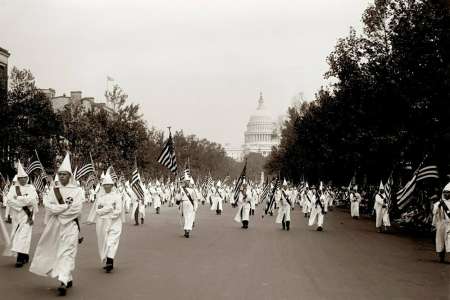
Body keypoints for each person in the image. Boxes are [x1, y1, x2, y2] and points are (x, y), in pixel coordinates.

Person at [30, 153, 84, 296]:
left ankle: (63, 281)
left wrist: (59, 211)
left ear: (70, 176)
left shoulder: (78, 191)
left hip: (71, 226)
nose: (61, 177)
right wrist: (62, 208)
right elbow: (48, 205)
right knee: (56, 251)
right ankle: (67, 276)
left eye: (64, 174)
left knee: (67, 252)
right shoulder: (54, 190)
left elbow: (76, 210)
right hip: (55, 227)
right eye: (59, 174)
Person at [3, 161, 38, 268]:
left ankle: (20, 258)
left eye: (24, 177)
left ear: (27, 178)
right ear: (18, 178)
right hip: (17, 216)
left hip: (28, 216)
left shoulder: (31, 188)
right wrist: (22, 201)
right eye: (21, 177)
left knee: (24, 236)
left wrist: (19, 199)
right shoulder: (13, 189)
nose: (23, 179)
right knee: (18, 237)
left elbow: (33, 201)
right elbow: (9, 201)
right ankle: (24, 255)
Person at [87, 172, 124, 272]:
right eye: (105, 184)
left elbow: (118, 211)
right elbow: (98, 210)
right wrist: (109, 209)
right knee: (104, 241)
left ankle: (110, 261)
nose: (107, 186)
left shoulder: (117, 197)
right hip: (102, 223)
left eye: (109, 184)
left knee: (112, 241)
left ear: (112, 185)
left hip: (115, 222)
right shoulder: (100, 197)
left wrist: (108, 211)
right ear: (103, 186)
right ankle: (107, 259)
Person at [432, 182, 450, 263]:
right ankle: (441, 257)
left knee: (449, 240)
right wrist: (439, 205)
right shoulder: (438, 203)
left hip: (449, 223)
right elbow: (434, 213)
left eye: (448, 192)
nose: (446, 194)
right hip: (440, 224)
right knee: (440, 240)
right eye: (445, 192)